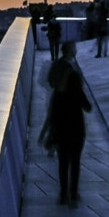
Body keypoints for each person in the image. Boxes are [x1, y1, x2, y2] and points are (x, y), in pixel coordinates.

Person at [40, 59, 91, 206]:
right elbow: (88, 107)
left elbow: (53, 115)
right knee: (75, 163)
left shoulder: (58, 93)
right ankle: (73, 194)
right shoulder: (77, 92)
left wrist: (47, 132)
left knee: (63, 164)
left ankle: (63, 194)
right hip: (78, 133)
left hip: (62, 134)